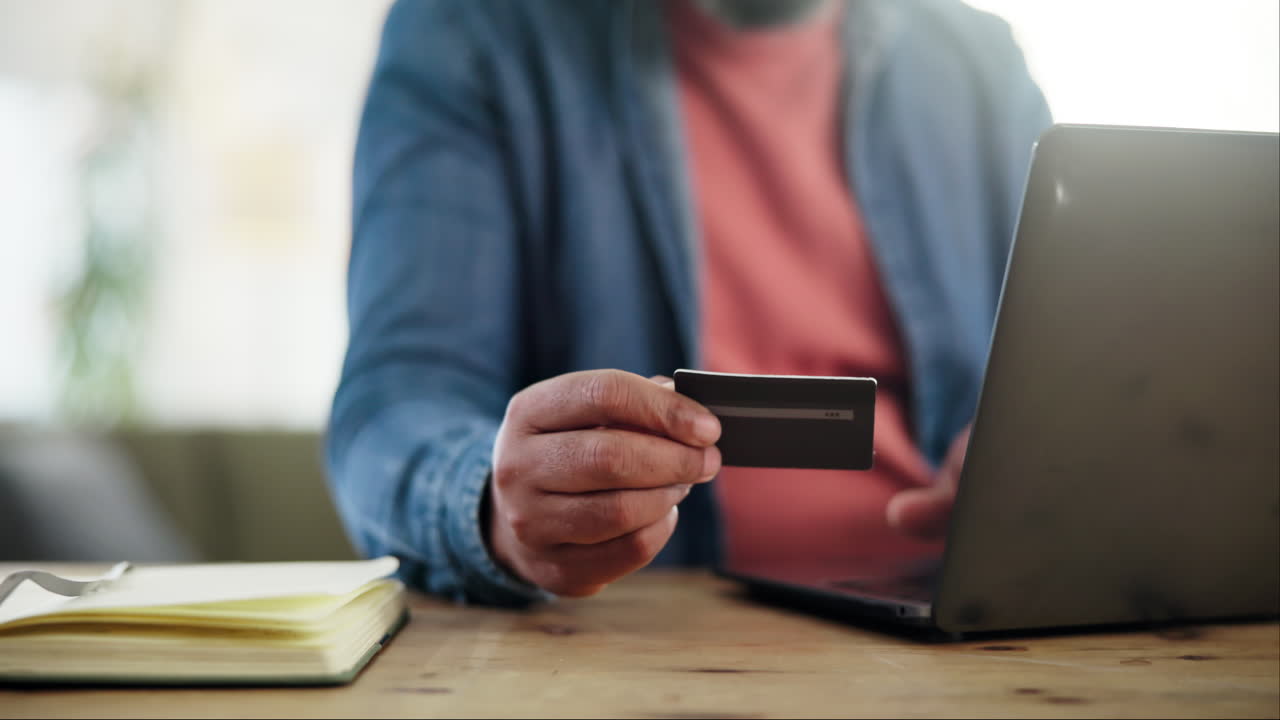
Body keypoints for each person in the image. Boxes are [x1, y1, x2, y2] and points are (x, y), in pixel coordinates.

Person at [326, 0, 1051, 605]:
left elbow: (1066, 384)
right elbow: (393, 402)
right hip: (631, 636)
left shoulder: (980, 64)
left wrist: (1047, 465)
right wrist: (490, 505)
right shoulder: (470, 33)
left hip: (957, 625)